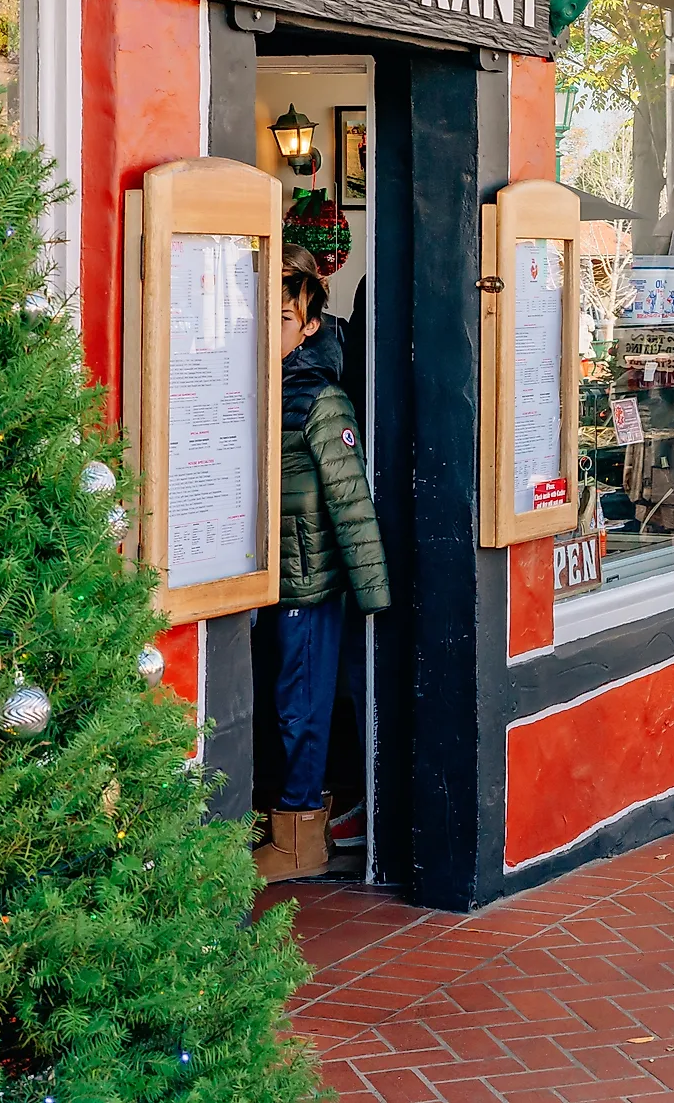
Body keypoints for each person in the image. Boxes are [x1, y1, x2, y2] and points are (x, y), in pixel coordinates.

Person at [258, 247, 391, 883]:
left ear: (310, 325)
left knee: (300, 706)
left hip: (306, 580)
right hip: (267, 575)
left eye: (283, 317)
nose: (271, 328)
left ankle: (300, 837)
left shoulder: (320, 398)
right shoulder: (257, 384)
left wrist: (373, 593)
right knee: (285, 701)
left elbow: (350, 499)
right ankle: (290, 819)